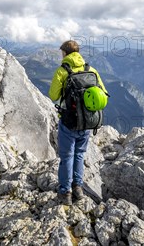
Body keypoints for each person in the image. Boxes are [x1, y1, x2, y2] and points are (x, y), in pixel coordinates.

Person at [48, 40, 107, 205]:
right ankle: (78, 188)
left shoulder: (62, 71)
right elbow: (103, 93)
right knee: (80, 155)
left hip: (68, 122)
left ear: (65, 53)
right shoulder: (91, 70)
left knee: (67, 156)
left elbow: (53, 95)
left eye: (62, 53)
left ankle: (65, 192)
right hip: (87, 122)